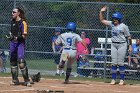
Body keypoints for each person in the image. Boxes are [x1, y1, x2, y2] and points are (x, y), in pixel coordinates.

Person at [99, 6, 132, 85]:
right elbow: (102, 20)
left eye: (115, 19)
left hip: (122, 45)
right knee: (113, 63)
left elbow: (129, 37)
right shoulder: (111, 24)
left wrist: (130, 46)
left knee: (120, 63)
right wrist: (101, 12)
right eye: (113, 19)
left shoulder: (124, 26)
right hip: (114, 45)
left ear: (119, 20)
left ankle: (122, 80)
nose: (114, 21)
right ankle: (113, 79)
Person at [6, 7, 31, 87]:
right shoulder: (12, 21)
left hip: (20, 44)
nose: (12, 13)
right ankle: (15, 80)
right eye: (12, 12)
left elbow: (24, 36)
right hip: (12, 43)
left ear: (18, 13)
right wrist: (11, 37)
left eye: (14, 12)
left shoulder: (23, 22)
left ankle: (27, 80)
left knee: (21, 63)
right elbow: (12, 32)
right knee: (13, 62)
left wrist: (16, 38)